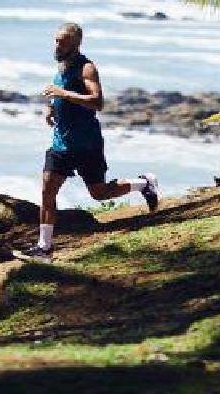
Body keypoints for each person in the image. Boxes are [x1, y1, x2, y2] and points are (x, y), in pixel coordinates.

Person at [13, 22, 159, 263]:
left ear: (76, 43)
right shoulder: (61, 68)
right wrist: (51, 110)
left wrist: (63, 95)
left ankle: (143, 184)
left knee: (99, 194)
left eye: (62, 41)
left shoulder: (86, 68)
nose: (57, 45)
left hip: (86, 143)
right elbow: (61, 96)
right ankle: (44, 249)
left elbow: (97, 101)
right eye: (56, 40)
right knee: (47, 192)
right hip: (61, 143)